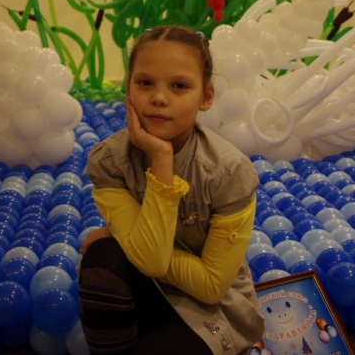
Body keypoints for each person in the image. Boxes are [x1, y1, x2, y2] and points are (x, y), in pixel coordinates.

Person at [79, 25, 264, 355]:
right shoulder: (111, 160)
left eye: (179, 86)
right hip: (144, 286)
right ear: (128, 87)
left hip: (210, 309)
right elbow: (149, 263)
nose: (159, 97)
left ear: (206, 96)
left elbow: (210, 286)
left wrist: (125, 237)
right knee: (102, 258)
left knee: (109, 245)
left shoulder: (228, 172)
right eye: (145, 83)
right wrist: (161, 159)